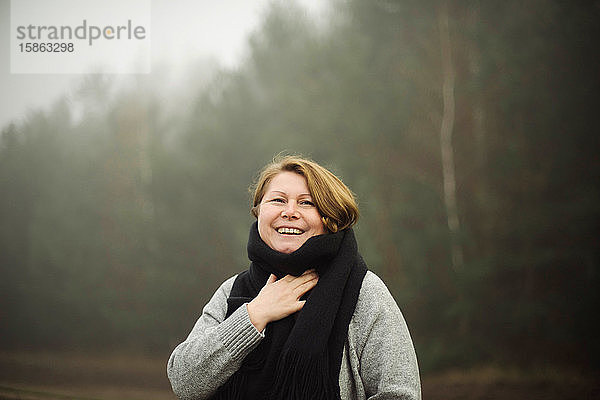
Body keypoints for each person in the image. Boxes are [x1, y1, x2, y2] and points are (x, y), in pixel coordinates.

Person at [167, 155, 421, 400]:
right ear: (258, 213)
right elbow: (184, 382)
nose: (290, 212)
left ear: (329, 218)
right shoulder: (232, 290)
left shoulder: (364, 292)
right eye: (277, 200)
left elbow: (399, 394)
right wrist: (254, 315)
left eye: (307, 203)